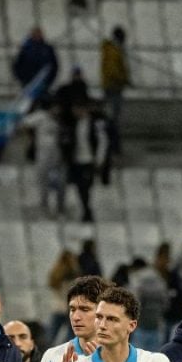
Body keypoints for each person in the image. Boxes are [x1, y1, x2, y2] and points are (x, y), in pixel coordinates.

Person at [62, 100, 108, 223]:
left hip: (88, 160)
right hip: (76, 160)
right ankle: (86, 210)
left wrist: (99, 159)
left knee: (85, 186)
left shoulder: (94, 123)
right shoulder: (73, 123)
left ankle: (87, 211)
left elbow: (102, 142)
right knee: (79, 187)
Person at [99, 27, 129, 156]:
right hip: (113, 88)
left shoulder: (112, 49)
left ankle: (112, 146)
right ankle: (113, 146)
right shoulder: (113, 51)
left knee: (112, 117)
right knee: (112, 118)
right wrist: (124, 79)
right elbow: (113, 71)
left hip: (112, 87)